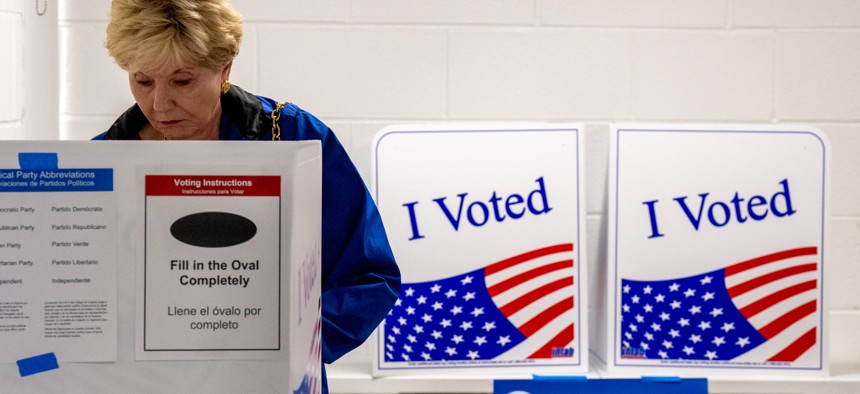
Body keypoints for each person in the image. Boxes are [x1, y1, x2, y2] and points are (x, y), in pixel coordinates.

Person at [94, 1, 401, 392]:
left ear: (224, 70)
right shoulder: (100, 163)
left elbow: (370, 275)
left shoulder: (293, 137)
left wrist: (290, 349)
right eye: (143, 81)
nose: (160, 104)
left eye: (182, 81)